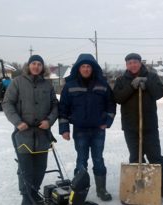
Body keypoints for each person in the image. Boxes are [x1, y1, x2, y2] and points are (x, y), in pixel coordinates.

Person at [113, 53, 163, 201]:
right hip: (130, 127)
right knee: (136, 159)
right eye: (129, 63)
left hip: (149, 126)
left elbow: (160, 93)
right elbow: (118, 98)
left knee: (155, 158)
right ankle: (138, 189)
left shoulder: (152, 76)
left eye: (135, 62)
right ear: (126, 65)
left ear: (140, 63)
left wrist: (147, 84)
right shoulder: (121, 80)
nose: (132, 65)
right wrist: (131, 86)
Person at [58, 53, 116, 201]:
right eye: (83, 66)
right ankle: (78, 191)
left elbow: (111, 104)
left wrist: (107, 121)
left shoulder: (102, 84)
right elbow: (63, 108)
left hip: (98, 130)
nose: (86, 69)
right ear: (78, 68)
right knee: (81, 160)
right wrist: (64, 129)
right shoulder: (70, 85)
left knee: (98, 159)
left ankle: (101, 190)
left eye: (88, 66)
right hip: (80, 130)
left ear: (93, 68)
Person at [2, 55, 59, 205]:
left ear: (42, 67)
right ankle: (26, 197)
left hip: (42, 134)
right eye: (33, 63)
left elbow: (55, 105)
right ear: (28, 65)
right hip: (23, 134)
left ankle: (34, 192)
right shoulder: (17, 82)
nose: (36, 66)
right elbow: (7, 103)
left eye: (39, 64)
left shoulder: (47, 85)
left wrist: (49, 121)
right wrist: (17, 121)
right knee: (25, 168)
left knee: (41, 167)